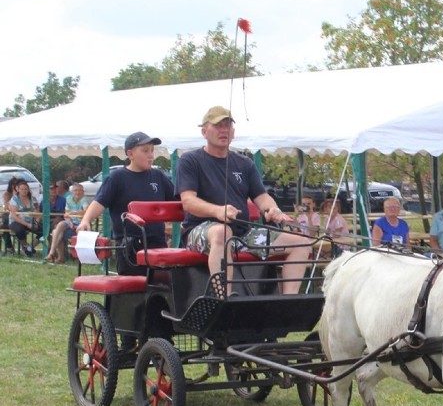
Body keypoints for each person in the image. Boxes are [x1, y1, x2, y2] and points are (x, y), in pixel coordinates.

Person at [176, 105, 311, 295]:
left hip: (242, 233)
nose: (224, 130)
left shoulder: (244, 163)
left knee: (302, 242)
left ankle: (287, 303)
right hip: (200, 231)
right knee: (223, 232)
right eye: (218, 126)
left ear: (233, 131)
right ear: (204, 131)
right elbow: (188, 202)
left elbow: (262, 197)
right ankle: (224, 300)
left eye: (228, 125)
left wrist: (272, 209)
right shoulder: (190, 160)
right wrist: (217, 211)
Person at [77, 131, 175, 275]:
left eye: (152, 151)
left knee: (162, 287)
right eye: (145, 150)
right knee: (134, 291)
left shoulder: (158, 176)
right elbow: (100, 202)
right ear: (130, 154)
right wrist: (85, 220)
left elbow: (177, 201)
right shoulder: (117, 177)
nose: (151, 155)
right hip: (128, 246)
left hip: (157, 243)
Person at [46, 183, 89, 264]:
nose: (78, 192)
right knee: (59, 226)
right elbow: (66, 214)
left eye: (80, 191)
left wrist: (72, 214)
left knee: (56, 232)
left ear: (83, 192)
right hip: (71, 223)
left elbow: (85, 212)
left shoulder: (84, 200)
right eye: (76, 190)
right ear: (72, 192)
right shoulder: (68, 199)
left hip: (81, 224)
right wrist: (70, 222)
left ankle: (57, 255)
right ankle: (53, 253)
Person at [8, 178, 42, 257]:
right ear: (18, 190)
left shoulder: (33, 199)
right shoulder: (14, 200)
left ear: (28, 190)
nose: (24, 191)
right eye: (22, 189)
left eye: (26, 189)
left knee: (44, 231)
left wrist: (36, 222)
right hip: (16, 221)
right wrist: (27, 224)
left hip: (31, 221)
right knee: (20, 229)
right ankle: (25, 247)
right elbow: (14, 216)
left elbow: (38, 212)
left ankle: (30, 247)